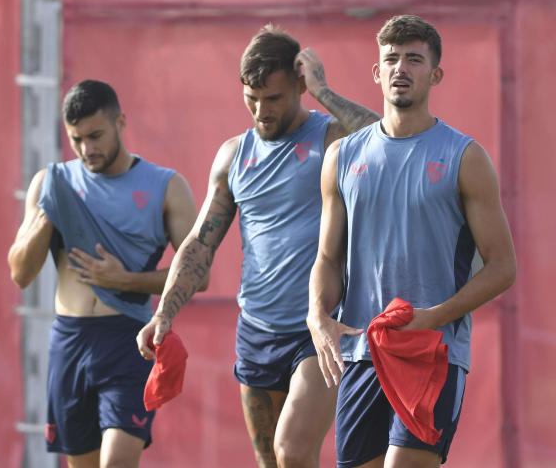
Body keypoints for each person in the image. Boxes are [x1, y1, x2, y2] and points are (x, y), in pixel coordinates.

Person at [136, 25, 379, 468]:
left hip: (319, 328)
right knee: (271, 462)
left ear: (300, 87)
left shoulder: (330, 139)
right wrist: (163, 314)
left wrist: (323, 90)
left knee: (292, 451)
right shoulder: (233, 156)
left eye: (274, 98)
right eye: (252, 98)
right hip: (256, 331)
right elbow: (199, 244)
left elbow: (387, 141)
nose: (262, 111)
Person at [306, 15, 517, 468]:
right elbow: (327, 256)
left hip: (432, 351)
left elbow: (503, 267)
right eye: (392, 59)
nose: (402, 68)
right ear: (378, 73)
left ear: (434, 75)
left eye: (414, 59)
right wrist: (317, 316)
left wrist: (433, 318)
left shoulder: (465, 156)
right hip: (362, 351)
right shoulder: (342, 156)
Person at [7, 79, 204, 468]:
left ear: (120, 122)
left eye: (95, 135)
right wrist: (48, 213)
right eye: (76, 139)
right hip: (70, 339)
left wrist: (125, 281)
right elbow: (20, 273)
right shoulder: (52, 184)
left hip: (128, 338)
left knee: (116, 462)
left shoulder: (166, 185)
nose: (87, 149)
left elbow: (199, 274)